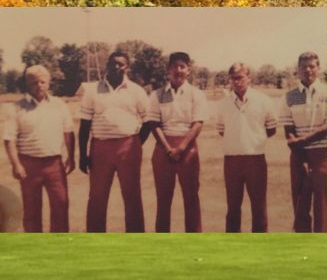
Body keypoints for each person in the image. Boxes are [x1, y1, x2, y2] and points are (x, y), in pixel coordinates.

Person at [78, 51, 148, 232]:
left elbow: (148, 120)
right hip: (100, 148)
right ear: (106, 66)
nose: (116, 67)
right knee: (97, 197)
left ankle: (136, 239)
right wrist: (82, 155)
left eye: (121, 64)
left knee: (132, 196)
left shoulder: (136, 91)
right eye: (113, 64)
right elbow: (84, 125)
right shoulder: (92, 90)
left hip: (129, 147)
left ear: (127, 68)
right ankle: (95, 239)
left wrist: (136, 142)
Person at [3, 65, 75, 232]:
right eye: (34, 82)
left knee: (61, 205)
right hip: (29, 165)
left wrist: (71, 157)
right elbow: (9, 139)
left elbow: (69, 133)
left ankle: (59, 247)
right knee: (31, 210)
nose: (39, 85)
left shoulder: (59, 105)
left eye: (43, 81)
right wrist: (16, 165)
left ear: (49, 82)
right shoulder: (16, 108)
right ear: (27, 84)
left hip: (54, 164)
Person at [146, 52, 208, 232]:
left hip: (187, 149)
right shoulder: (157, 95)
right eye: (174, 66)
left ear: (188, 70)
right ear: (168, 70)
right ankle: (163, 243)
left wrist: (180, 148)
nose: (178, 70)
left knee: (191, 198)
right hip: (163, 148)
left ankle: (193, 242)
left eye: (182, 66)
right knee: (163, 199)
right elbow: (153, 124)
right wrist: (168, 149)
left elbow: (197, 124)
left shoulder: (196, 94)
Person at [216, 63, 277, 233]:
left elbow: (271, 129)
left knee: (258, 207)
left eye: (240, 77)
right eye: (233, 78)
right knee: (233, 208)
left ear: (249, 78)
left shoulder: (263, 101)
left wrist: (252, 140)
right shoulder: (223, 104)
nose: (236, 81)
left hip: (255, 159)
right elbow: (222, 131)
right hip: (232, 160)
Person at [279, 52, 327, 232]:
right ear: (298, 70)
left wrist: (305, 139)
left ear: (318, 68)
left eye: (311, 66)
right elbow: (289, 132)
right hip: (298, 156)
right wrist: (303, 158)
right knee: (300, 205)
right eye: (303, 67)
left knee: (322, 206)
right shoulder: (289, 97)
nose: (307, 70)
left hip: (322, 155)